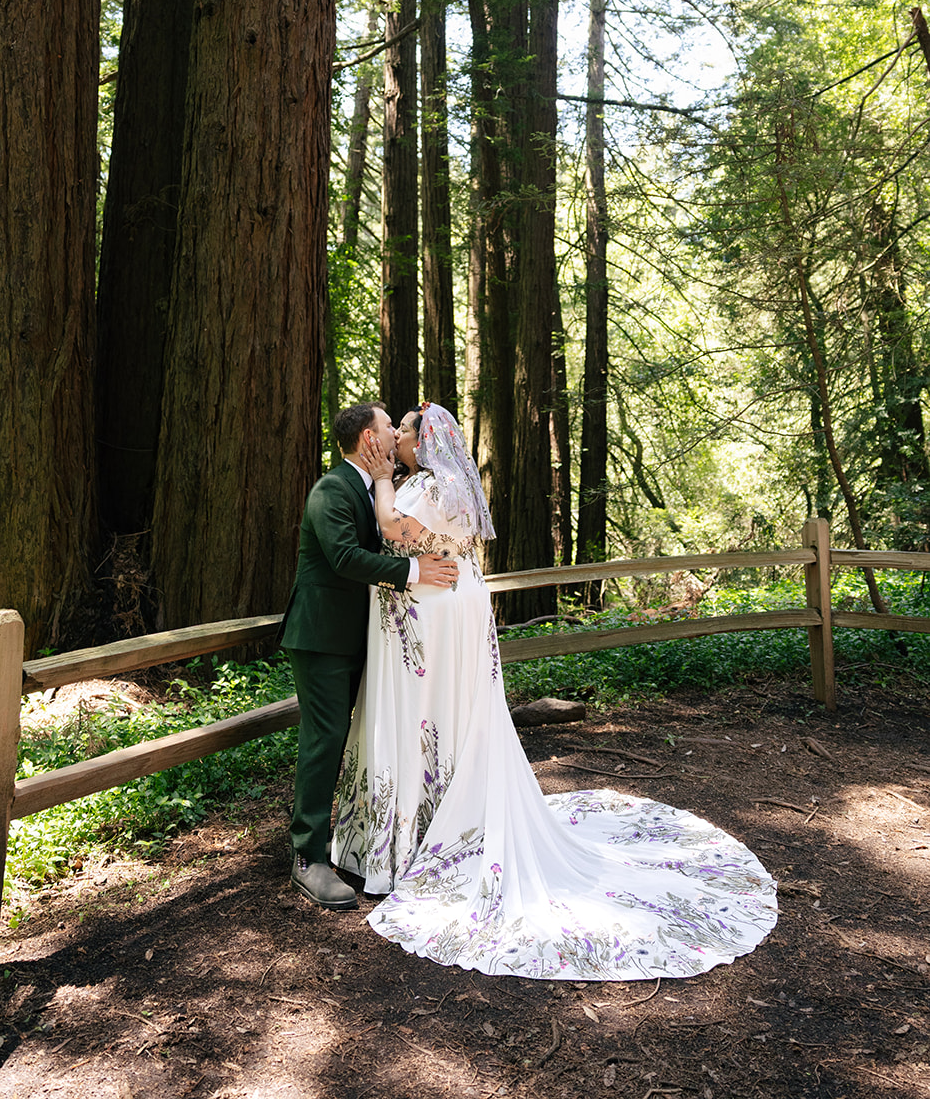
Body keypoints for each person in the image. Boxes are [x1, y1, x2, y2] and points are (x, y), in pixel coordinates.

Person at [331, 403, 778, 980]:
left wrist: (386, 481)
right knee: (448, 716)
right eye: (395, 430)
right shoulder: (449, 483)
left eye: (407, 430)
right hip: (451, 605)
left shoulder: (424, 486)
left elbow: (396, 531)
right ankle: (432, 815)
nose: (398, 437)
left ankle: (425, 831)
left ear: (427, 441)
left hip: (433, 616)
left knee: (428, 715)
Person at [279, 401, 459, 910]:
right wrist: (416, 571)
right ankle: (308, 858)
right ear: (368, 440)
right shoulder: (331, 490)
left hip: (361, 639)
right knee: (325, 739)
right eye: (387, 427)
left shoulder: (379, 489)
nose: (394, 433)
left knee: (356, 738)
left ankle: (359, 839)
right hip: (321, 637)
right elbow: (343, 558)